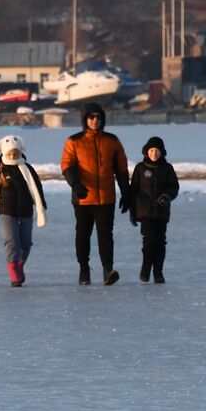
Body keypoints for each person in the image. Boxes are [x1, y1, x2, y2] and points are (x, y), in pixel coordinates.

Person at [61, 102, 130, 286]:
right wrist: (75, 184)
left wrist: (126, 192)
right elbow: (67, 166)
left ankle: (108, 270)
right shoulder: (74, 141)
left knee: (106, 234)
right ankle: (84, 269)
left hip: (106, 198)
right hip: (83, 198)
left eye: (98, 117)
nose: (95, 120)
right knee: (83, 234)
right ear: (85, 119)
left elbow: (121, 169)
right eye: (91, 117)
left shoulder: (112, 141)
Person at [0, 135, 47, 287]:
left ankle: (17, 265)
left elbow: (37, 188)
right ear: (4, 153)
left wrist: (41, 207)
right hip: (6, 211)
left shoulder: (27, 169)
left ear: (20, 152)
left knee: (26, 244)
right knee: (12, 241)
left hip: (26, 211)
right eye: (10, 154)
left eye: (15, 153)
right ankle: (14, 274)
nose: (13, 156)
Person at [127, 136, 180, 283]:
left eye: (157, 150)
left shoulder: (167, 168)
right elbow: (133, 190)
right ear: (146, 152)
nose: (154, 153)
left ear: (162, 152)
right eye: (151, 150)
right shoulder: (140, 168)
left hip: (161, 212)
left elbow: (174, 187)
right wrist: (132, 211)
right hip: (145, 213)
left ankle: (158, 272)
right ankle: (145, 270)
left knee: (160, 242)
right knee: (149, 242)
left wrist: (167, 196)